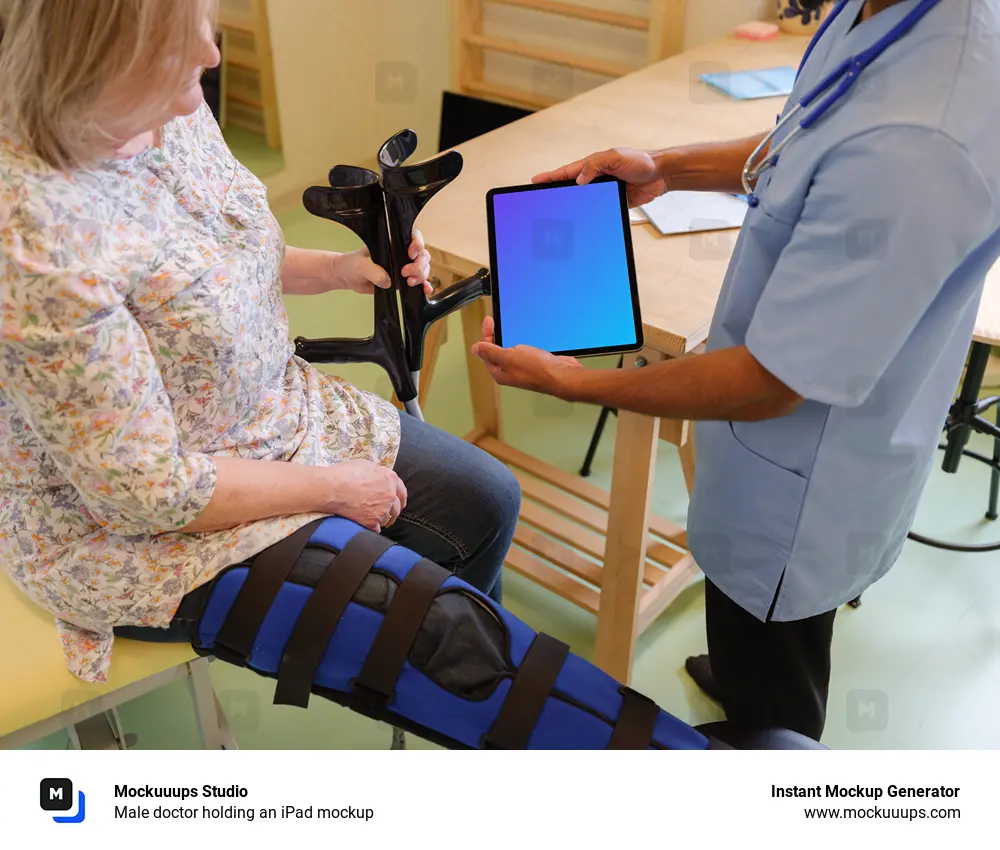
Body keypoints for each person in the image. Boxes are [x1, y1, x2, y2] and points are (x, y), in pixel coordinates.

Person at [472, 0, 1000, 743]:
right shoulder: (879, 16)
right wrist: (668, 167)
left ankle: (763, 727)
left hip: (802, 493)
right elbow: (808, 136)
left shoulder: (919, 143)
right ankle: (740, 673)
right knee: (745, 627)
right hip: (774, 449)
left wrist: (573, 383)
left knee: (775, 693)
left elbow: (768, 383)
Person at [0, 0, 519, 685]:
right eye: (176, 41)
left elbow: (223, 260)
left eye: (206, 23)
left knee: (488, 500)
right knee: (445, 633)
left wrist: (340, 270)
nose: (210, 56)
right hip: (138, 527)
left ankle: (457, 701)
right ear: (93, 58)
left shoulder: (168, 110)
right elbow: (148, 493)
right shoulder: (35, 236)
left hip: (272, 417)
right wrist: (332, 489)